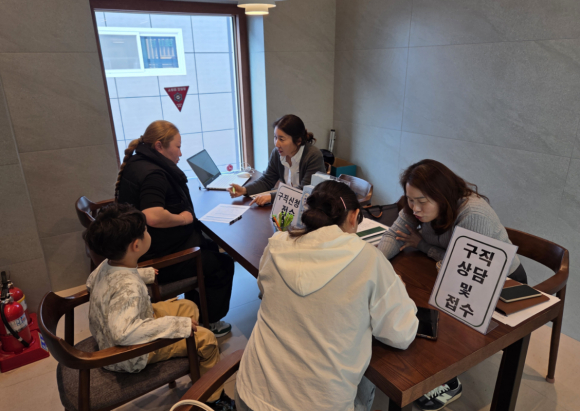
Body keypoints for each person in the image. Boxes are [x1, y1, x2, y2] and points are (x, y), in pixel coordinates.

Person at [235, 180, 419, 411]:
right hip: (318, 405)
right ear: (354, 217)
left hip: (250, 395)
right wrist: (398, 288)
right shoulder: (369, 259)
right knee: (363, 375)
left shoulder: (276, 246)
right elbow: (401, 334)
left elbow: (265, 290)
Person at [378, 159, 527, 411]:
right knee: (411, 297)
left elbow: (466, 268)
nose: (415, 208)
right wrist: (373, 266)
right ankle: (426, 366)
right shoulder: (416, 205)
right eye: (410, 200)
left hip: (503, 282)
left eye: (422, 201)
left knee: (436, 308)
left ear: (442, 195)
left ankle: (446, 377)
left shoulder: (472, 214)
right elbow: (395, 234)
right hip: (446, 268)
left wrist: (423, 245)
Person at [83, 203, 233, 409]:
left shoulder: (106, 264)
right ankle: (213, 400)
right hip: (128, 354)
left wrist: (140, 274)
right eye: (146, 231)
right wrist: (176, 326)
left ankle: (194, 364)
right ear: (136, 246)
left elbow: (95, 282)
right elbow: (123, 335)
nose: (148, 233)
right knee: (207, 340)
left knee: (188, 306)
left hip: (116, 328)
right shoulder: (130, 289)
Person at [116, 120, 235, 337]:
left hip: (141, 250)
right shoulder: (154, 173)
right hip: (156, 261)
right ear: (159, 146)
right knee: (223, 263)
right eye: (178, 147)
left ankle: (197, 310)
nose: (181, 153)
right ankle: (210, 321)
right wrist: (183, 219)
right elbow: (153, 215)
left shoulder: (136, 163)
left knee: (209, 245)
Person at [228, 114, 326, 205]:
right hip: (288, 205)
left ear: (298, 140)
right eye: (275, 137)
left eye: (281, 139)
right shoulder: (277, 153)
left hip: (309, 207)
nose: (276, 144)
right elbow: (267, 180)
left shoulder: (313, 156)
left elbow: (305, 192)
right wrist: (244, 190)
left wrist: (272, 197)